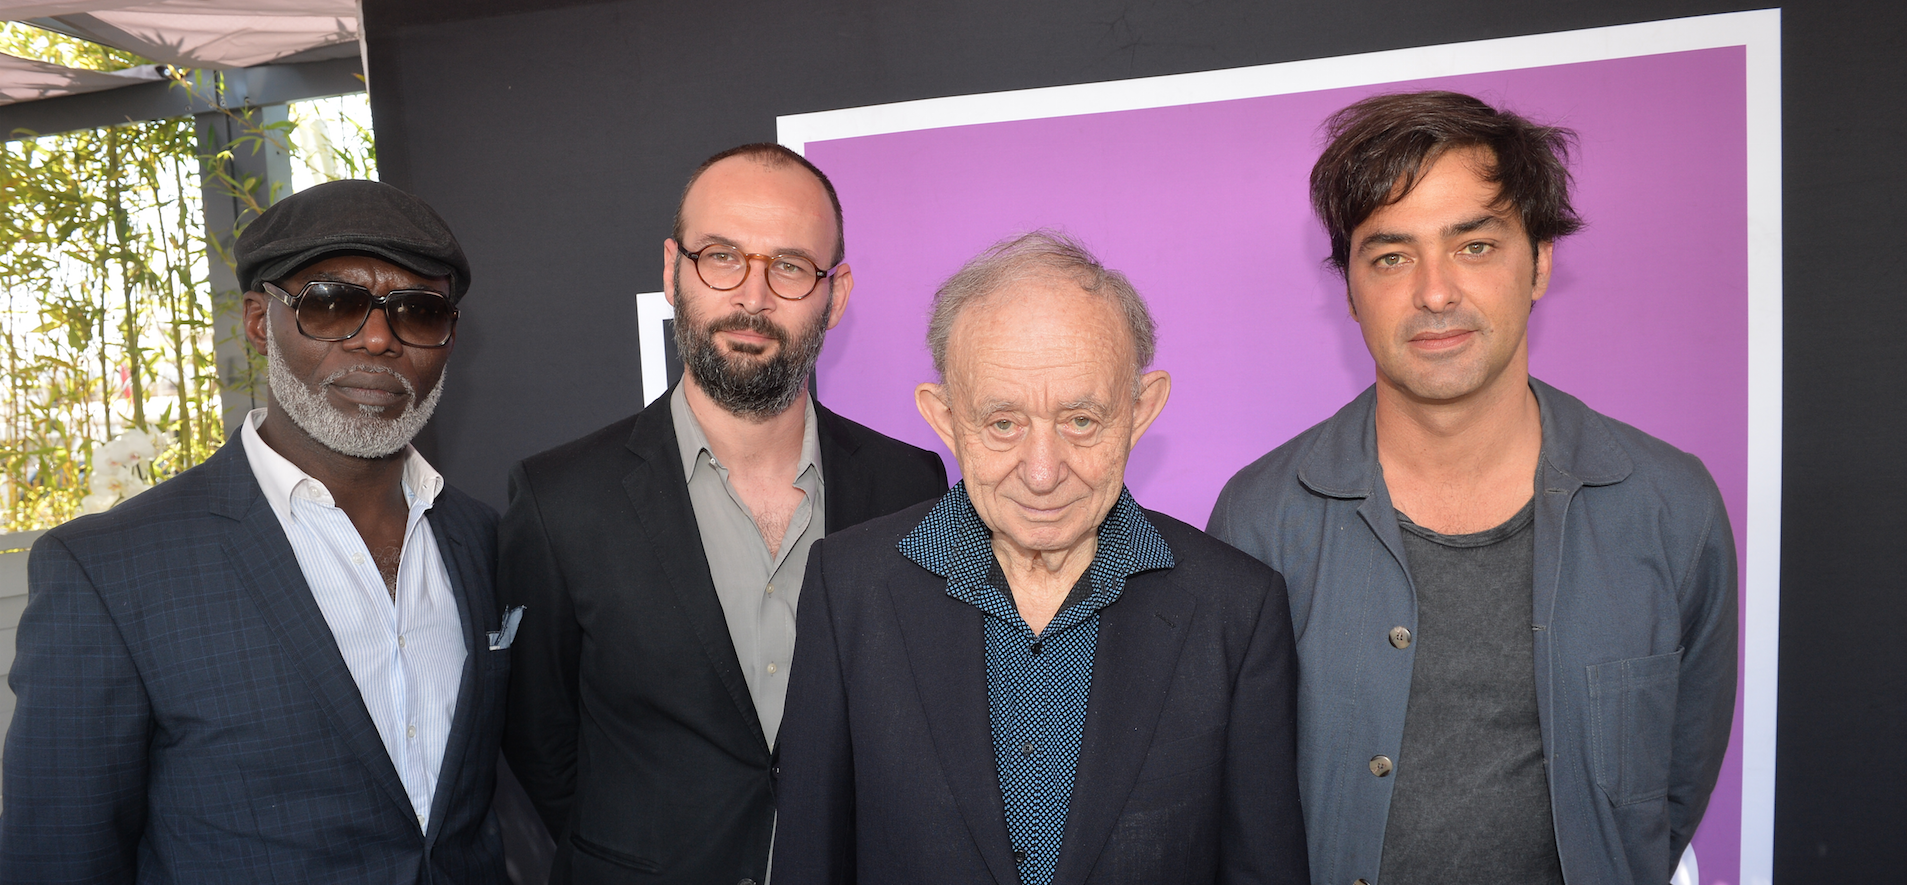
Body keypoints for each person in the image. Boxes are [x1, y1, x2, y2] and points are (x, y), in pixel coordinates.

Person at [1210, 91, 1738, 885]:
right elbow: (1243, 804)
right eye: (1390, 256)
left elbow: (1671, 786)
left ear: (1540, 262)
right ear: (1348, 290)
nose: (1433, 292)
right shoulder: (1259, 520)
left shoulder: (1669, 507)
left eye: (1474, 246)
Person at [0, 180, 509, 882]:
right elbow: (58, 857)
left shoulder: (483, 541)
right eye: (332, 304)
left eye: (417, 312)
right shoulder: (108, 571)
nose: (378, 338)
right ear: (257, 321)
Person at [772, 231, 1308, 885]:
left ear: (1140, 410)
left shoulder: (1236, 608)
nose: (1043, 470)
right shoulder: (847, 587)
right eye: (1003, 422)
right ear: (943, 418)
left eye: (1080, 419)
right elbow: (810, 859)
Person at [499, 143, 947, 885]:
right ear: (672, 270)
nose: (753, 296)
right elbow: (539, 746)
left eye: (790, 265)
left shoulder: (912, 484)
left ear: (835, 296)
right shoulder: (558, 500)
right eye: (721, 257)